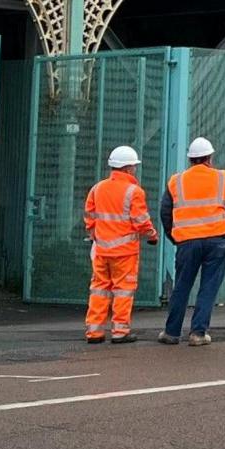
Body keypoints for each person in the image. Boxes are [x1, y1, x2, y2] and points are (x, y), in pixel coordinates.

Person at [158, 136, 225, 346]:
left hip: (187, 241)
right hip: (217, 239)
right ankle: (198, 333)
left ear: (190, 160)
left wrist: (173, 236)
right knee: (209, 286)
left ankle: (171, 332)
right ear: (210, 158)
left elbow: (165, 212)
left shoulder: (176, 181)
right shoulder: (223, 177)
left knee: (182, 286)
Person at [81, 145, 156, 344]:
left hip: (101, 250)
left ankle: (94, 332)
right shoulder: (134, 191)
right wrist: (152, 235)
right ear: (129, 168)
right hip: (124, 252)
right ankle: (120, 331)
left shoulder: (97, 188)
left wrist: (94, 235)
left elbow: (89, 216)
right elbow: (140, 220)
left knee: (99, 289)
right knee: (123, 290)